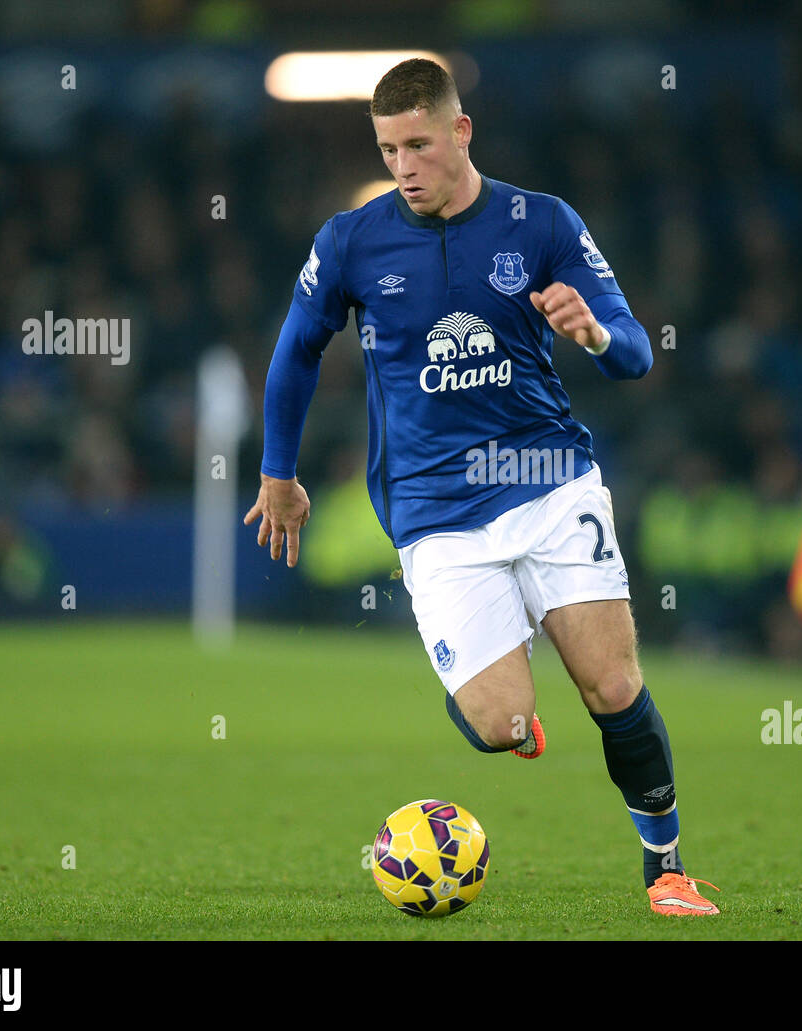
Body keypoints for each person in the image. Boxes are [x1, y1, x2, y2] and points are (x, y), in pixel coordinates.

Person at [243, 59, 719, 915]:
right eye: (388, 149)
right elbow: (294, 352)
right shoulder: (350, 241)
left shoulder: (542, 223)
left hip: (546, 483)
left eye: (418, 144)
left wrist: (594, 335)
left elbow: (636, 350)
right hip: (435, 515)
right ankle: (515, 686)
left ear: (460, 132)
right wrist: (279, 471)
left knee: (612, 686)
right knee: (501, 725)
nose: (404, 166)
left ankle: (667, 869)